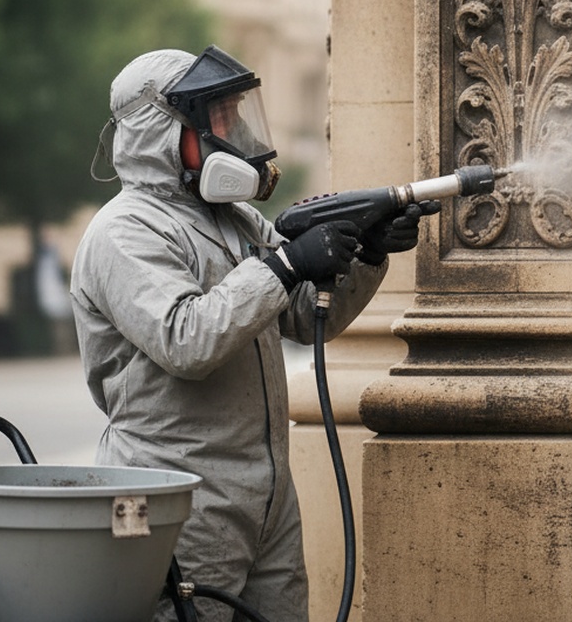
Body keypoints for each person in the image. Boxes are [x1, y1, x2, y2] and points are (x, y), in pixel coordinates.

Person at [70, 46, 424, 622]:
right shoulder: (123, 232)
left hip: (265, 497)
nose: (232, 130)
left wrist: (367, 254)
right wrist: (284, 265)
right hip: (179, 495)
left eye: (236, 113)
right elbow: (187, 341)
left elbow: (310, 317)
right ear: (163, 129)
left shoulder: (234, 219)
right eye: (219, 116)